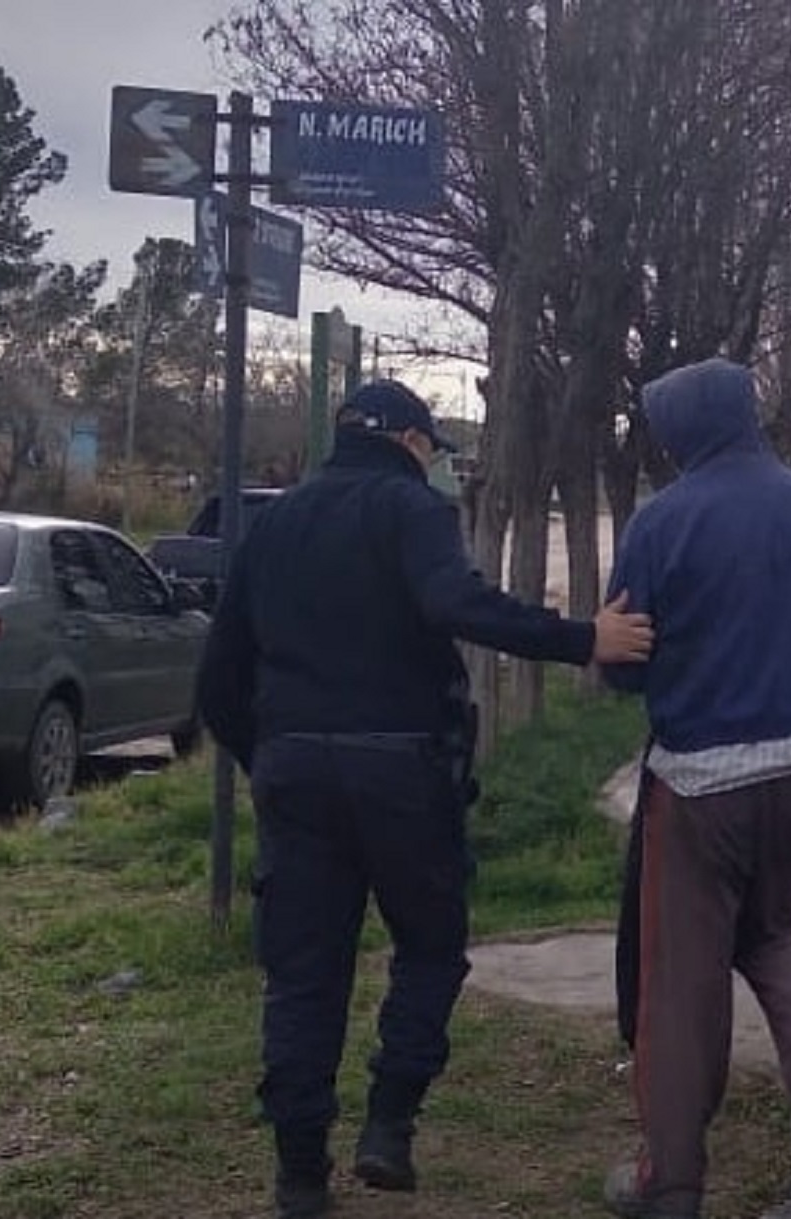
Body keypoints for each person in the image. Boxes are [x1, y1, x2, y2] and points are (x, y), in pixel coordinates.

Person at [195, 378, 653, 1219]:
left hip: (294, 769)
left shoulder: (277, 523)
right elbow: (455, 603)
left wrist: (272, 759)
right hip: (402, 769)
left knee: (303, 977)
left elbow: (217, 679)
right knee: (431, 945)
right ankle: (389, 1123)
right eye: (433, 450)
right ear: (410, 442)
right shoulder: (411, 510)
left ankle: (300, 1175)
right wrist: (583, 638)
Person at [598, 357, 791, 1219]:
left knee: (680, 980)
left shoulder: (662, 521)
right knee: (774, 931)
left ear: (682, 430)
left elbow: (622, 664)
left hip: (699, 784)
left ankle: (670, 1181)